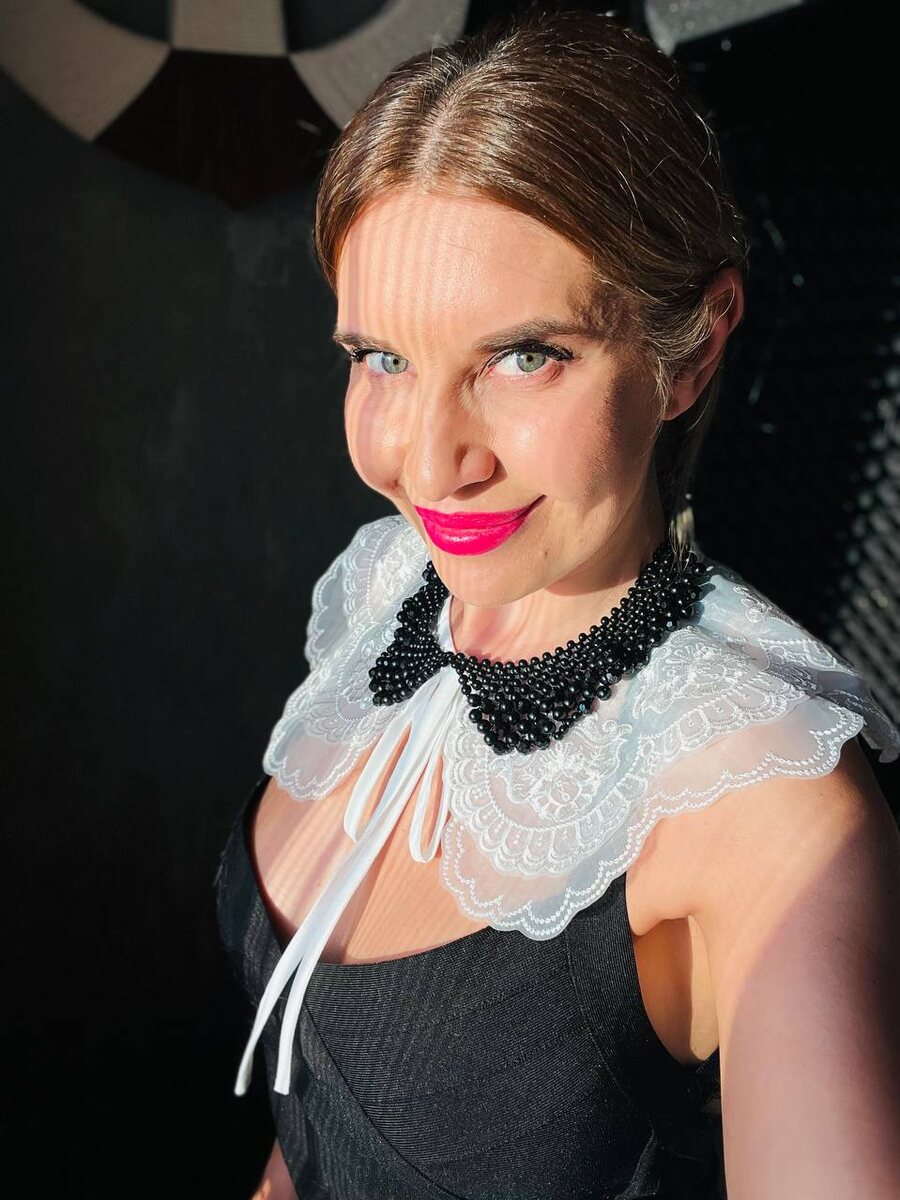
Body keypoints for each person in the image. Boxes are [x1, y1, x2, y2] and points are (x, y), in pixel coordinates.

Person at [213, 10, 900, 1199]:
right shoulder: (388, 590)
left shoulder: (772, 804)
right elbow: (323, 1119)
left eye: (524, 355)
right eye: (382, 358)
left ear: (691, 353)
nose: (431, 467)